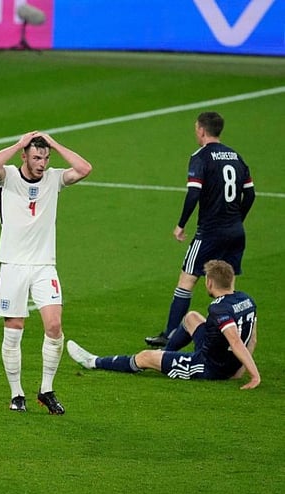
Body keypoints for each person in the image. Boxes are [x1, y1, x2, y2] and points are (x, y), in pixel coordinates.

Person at [0, 132, 93, 415]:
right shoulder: (7, 176)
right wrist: (19, 144)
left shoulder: (54, 179)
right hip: (12, 264)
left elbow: (84, 169)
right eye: (36, 157)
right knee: (14, 329)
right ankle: (16, 393)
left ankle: (46, 390)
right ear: (24, 156)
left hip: (45, 264)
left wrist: (55, 144)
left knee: (54, 326)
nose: (42, 164)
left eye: (45, 158)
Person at [146, 112, 255, 348]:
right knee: (227, 285)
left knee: (187, 279)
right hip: (235, 232)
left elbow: (194, 193)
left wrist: (181, 224)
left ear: (202, 130)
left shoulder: (201, 157)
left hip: (210, 232)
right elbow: (251, 194)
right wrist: (237, 219)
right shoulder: (236, 156)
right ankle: (231, 337)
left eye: (196, 128)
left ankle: (171, 334)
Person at [69, 260, 259, 389]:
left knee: (144, 357)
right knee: (191, 317)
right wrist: (238, 369)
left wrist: (253, 375)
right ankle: (166, 354)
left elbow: (235, 341)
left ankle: (93, 362)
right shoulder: (247, 300)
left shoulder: (219, 309)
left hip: (208, 365)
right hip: (221, 356)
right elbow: (252, 339)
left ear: (209, 283)